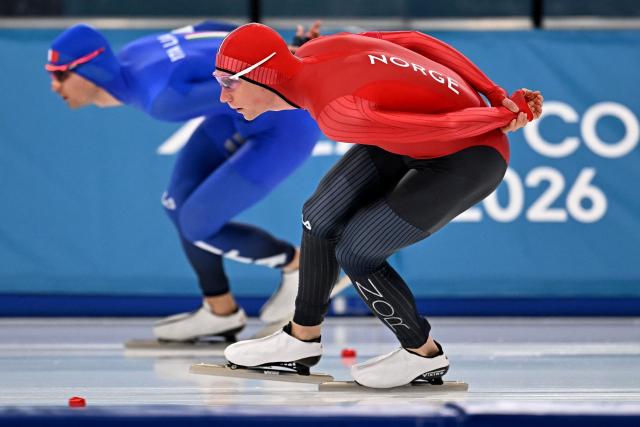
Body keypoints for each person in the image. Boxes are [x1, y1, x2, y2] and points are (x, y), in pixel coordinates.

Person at [213, 23, 543, 388]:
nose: (223, 97)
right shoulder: (316, 50)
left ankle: (423, 354)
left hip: (469, 155)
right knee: (319, 217)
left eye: (229, 83)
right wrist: (495, 96)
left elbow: (441, 125)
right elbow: (414, 40)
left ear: (263, 76)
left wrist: (499, 114)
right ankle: (299, 339)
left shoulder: (336, 111)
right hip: (412, 135)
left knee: (357, 251)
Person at [45, 22, 322, 342]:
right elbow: (208, 29)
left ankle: (299, 266)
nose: (54, 85)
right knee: (176, 204)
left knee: (197, 224)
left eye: (60, 74)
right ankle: (220, 311)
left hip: (284, 127)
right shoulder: (135, 53)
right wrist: (285, 49)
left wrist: (295, 60)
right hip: (234, 116)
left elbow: (255, 84)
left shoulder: (162, 98)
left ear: (89, 69)